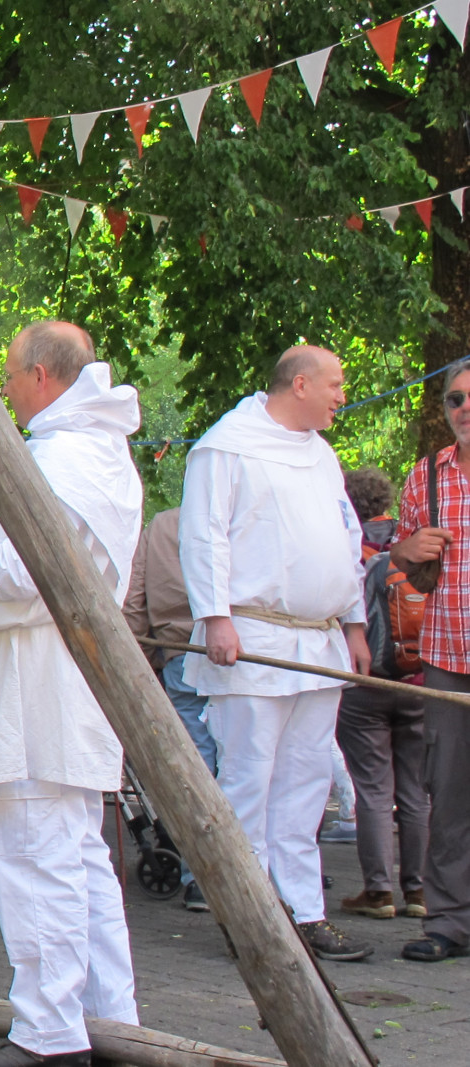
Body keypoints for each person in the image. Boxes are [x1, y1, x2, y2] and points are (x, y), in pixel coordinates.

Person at [0, 321, 143, 1067]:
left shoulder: (58, 458)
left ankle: (50, 1037)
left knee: (34, 854)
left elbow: (26, 578)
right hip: (69, 672)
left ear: (43, 376)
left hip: (38, 679)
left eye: (11, 376)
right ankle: (114, 1026)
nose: (6, 389)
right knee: (79, 858)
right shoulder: (95, 452)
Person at [178, 345, 374, 962]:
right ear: (301, 384)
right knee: (249, 780)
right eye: (335, 384)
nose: (343, 395)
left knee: (307, 782)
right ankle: (251, 917)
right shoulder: (226, 447)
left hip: (319, 642)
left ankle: (304, 912)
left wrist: (354, 625)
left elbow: (346, 541)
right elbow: (204, 535)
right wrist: (216, 617)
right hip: (253, 640)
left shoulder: (321, 454)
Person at [387, 356, 470, 962]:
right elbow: (401, 559)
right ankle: (450, 923)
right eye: (455, 400)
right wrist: (408, 548)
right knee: (451, 795)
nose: (464, 410)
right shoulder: (427, 475)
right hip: (448, 657)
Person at [334, 467, 428, 920]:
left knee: (373, 787)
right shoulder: (410, 543)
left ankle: (378, 891)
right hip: (418, 680)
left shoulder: (346, 546)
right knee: (415, 790)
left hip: (364, 679)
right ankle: (419, 891)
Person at [122, 507, 217, 911]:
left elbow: (135, 601)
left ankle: (204, 877)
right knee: (250, 765)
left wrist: (140, 661)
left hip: (181, 650)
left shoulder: (162, 525)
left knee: (196, 763)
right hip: (247, 650)